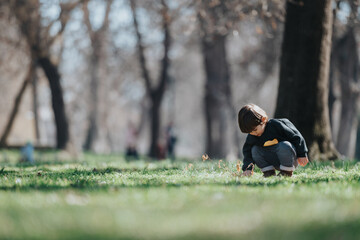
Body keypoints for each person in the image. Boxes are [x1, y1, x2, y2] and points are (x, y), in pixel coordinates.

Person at [238, 104, 309, 177]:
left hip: (289, 158)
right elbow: (247, 152)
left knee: (284, 145)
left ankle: (286, 172)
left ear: (263, 119)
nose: (253, 133)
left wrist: (302, 154)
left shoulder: (277, 126)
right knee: (254, 149)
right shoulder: (252, 136)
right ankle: (268, 172)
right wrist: (248, 168)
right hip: (272, 159)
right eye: (250, 132)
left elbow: (296, 136)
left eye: (255, 130)